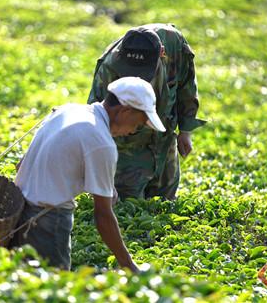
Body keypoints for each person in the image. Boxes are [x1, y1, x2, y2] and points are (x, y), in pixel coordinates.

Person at [10, 77, 166, 271]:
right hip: (48, 222)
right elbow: (103, 216)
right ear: (126, 111)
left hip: (17, 210)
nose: (134, 131)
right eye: (139, 123)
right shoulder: (102, 143)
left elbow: (21, 165)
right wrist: (129, 265)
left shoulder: (69, 110)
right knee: (50, 288)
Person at [88, 23, 205, 201]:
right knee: (127, 208)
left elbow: (186, 85)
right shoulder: (109, 67)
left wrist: (185, 131)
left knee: (165, 205)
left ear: (162, 53)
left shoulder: (174, 44)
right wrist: (104, 181)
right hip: (128, 149)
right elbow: (95, 124)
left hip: (164, 141)